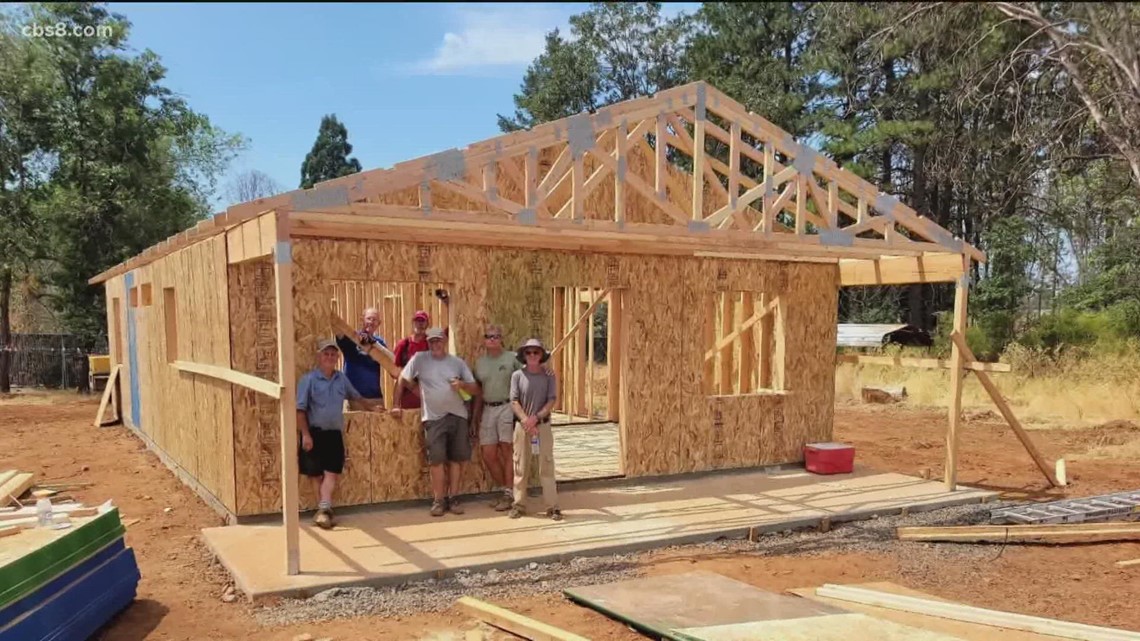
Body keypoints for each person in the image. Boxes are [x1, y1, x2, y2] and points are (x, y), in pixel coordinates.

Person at [391, 327, 481, 517]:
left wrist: (462, 385)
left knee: (457, 460)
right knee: (436, 460)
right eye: (432, 341)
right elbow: (402, 379)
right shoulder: (420, 359)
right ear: (428, 343)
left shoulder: (457, 363)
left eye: (438, 340)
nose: (435, 344)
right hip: (433, 418)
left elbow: (474, 389)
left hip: (457, 416)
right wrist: (396, 404)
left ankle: (454, 498)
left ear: (445, 341)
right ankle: (439, 500)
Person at [297, 338, 384, 529]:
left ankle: (323, 510)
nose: (329, 357)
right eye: (326, 354)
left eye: (333, 354)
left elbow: (356, 396)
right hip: (314, 433)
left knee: (331, 473)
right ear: (319, 357)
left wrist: (372, 408)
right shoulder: (308, 380)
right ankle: (324, 509)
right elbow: (300, 410)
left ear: (337, 357)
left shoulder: (341, 379)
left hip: (334, 434)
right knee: (315, 475)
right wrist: (305, 434)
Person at [508, 338, 561, 521]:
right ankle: (519, 505)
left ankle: (552, 507)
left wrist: (536, 418)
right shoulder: (517, 376)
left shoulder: (549, 376)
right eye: (528, 352)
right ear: (523, 355)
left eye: (536, 352)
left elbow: (551, 399)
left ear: (541, 356)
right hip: (523, 427)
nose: (532, 355)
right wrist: (525, 420)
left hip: (542, 426)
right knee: (520, 467)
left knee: (546, 466)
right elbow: (514, 401)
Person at [472, 324, 521, 511]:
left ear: (502, 339)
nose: (492, 339)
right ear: (484, 340)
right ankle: (506, 489)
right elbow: (477, 392)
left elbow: (526, 379)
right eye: (488, 336)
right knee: (488, 454)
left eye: (496, 336)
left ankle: (508, 494)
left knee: (506, 449)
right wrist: (475, 418)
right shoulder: (480, 363)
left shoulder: (512, 358)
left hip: (506, 406)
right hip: (487, 408)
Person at [335, 307, 388, 402]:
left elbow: (390, 359)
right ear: (361, 320)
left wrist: (373, 343)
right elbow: (338, 332)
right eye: (369, 318)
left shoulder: (380, 343)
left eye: (374, 320)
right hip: (353, 398)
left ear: (379, 324)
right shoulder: (351, 339)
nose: (371, 322)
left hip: (374, 398)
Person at [391, 310, 431, 409]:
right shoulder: (404, 344)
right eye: (417, 321)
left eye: (423, 321)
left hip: (427, 395)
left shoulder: (430, 344)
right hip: (407, 397)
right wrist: (409, 381)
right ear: (413, 323)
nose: (420, 324)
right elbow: (394, 371)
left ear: (427, 324)